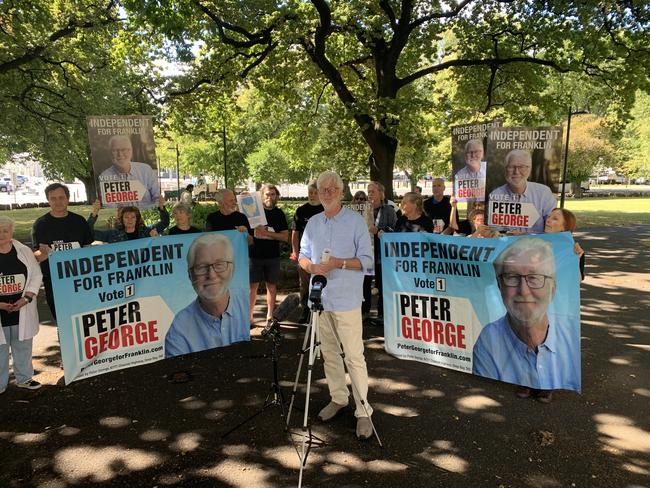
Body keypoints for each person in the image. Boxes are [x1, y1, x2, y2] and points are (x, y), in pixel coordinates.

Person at [299, 171, 374, 440]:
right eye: (322, 189)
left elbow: (367, 262)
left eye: (332, 189)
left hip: (347, 299)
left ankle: (364, 411)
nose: (327, 193)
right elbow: (303, 256)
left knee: (354, 356)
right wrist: (311, 266)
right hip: (320, 300)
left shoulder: (355, 222)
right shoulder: (313, 223)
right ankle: (338, 398)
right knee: (329, 353)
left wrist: (338, 263)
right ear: (317, 193)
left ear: (341, 191)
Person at [472, 237, 580, 400]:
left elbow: (575, 277)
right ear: (500, 287)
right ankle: (526, 382)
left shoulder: (571, 332)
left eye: (535, 277)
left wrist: (574, 256)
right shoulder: (488, 340)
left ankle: (547, 385)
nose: (523, 291)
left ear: (553, 289)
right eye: (512, 277)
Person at [165, 233, 249, 358]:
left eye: (219, 264)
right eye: (201, 267)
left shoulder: (247, 303)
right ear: (190, 276)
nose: (212, 275)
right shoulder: (178, 330)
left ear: (232, 269)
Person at [32, 183, 94, 320]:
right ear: (48, 200)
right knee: (62, 321)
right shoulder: (41, 224)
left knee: (84, 318)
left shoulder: (79, 221)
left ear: (68, 199)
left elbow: (87, 248)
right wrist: (44, 254)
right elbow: (36, 257)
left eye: (61, 197)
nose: (58, 201)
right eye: (53, 198)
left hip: (80, 280)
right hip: (54, 281)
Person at [0, 217, 43, 392]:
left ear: (12, 232)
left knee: (23, 345)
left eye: (5, 230)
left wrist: (27, 298)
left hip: (21, 308)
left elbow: (36, 276)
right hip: (1, 311)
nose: (1, 234)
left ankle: (24, 378)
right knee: (0, 348)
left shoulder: (23, 251)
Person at [488, 149, 556, 233]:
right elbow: (496, 232)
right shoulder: (495, 195)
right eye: (511, 167)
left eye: (521, 167)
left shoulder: (543, 193)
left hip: (537, 244)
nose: (516, 172)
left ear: (529, 169)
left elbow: (553, 228)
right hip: (507, 245)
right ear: (505, 170)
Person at [249, 184, 288, 326]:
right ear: (261, 196)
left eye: (273, 194)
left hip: (272, 256)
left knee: (271, 287)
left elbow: (285, 237)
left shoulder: (279, 214)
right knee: (252, 287)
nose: (270, 197)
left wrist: (266, 233)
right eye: (267, 194)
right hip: (254, 256)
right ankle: (249, 317)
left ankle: (270, 317)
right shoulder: (253, 213)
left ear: (276, 196)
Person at [290, 181, 323, 323]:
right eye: (310, 193)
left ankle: (321, 310)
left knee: (321, 282)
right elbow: (295, 233)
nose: (312, 195)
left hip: (323, 254)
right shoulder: (301, 210)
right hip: (305, 253)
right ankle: (305, 309)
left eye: (315, 193)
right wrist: (295, 251)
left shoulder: (325, 209)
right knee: (304, 283)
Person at [98, 135, 160, 208]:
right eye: (115, 150)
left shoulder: (145, 170)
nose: (120, 154)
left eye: (124, 149)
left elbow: (157, 198)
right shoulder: (105, 177)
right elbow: (110, 208)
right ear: (110, 153)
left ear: (131, 151)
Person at [366, 181, 397, 323]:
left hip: (382, 253)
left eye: (373, 191)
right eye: (369, 191)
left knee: (382, 283)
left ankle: (382, 314)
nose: (370, 194)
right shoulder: (364, 210)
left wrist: (378, 231)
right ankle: (364, 312)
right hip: (365, 251)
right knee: (365, 283)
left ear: (380, 193)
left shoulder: (389, 210)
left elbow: (395, 230)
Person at [89, 196, 169, 242]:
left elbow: (165, 222)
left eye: (133, 217)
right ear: (122, 219)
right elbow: (88, 233)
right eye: (126, 217)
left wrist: (161, 207)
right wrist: (94, 213)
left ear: (137, 219)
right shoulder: (113, 235)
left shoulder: (146, 232)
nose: (130, 220)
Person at [544, 208, 585, 280]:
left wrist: (576, 260)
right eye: (549, 217)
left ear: (564, 227)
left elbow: (577, 281)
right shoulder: (534, 243)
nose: (548, 220)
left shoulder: (574, 249)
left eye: (555, 219)